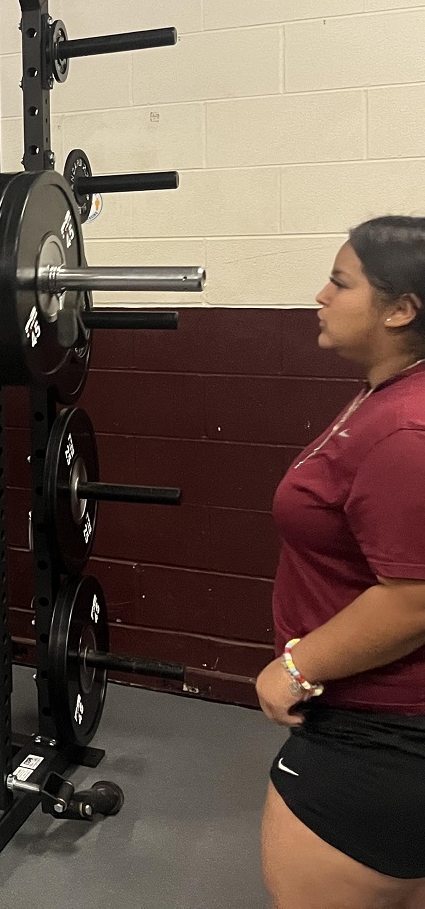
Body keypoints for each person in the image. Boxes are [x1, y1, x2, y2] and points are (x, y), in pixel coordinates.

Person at [259, 216, 425, 909]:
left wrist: (296, 667)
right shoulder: (387, 394)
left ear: (399, 309)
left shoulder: (406, 431)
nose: (320, 296)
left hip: (377, 735)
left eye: (339, 281)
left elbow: (413, 599)